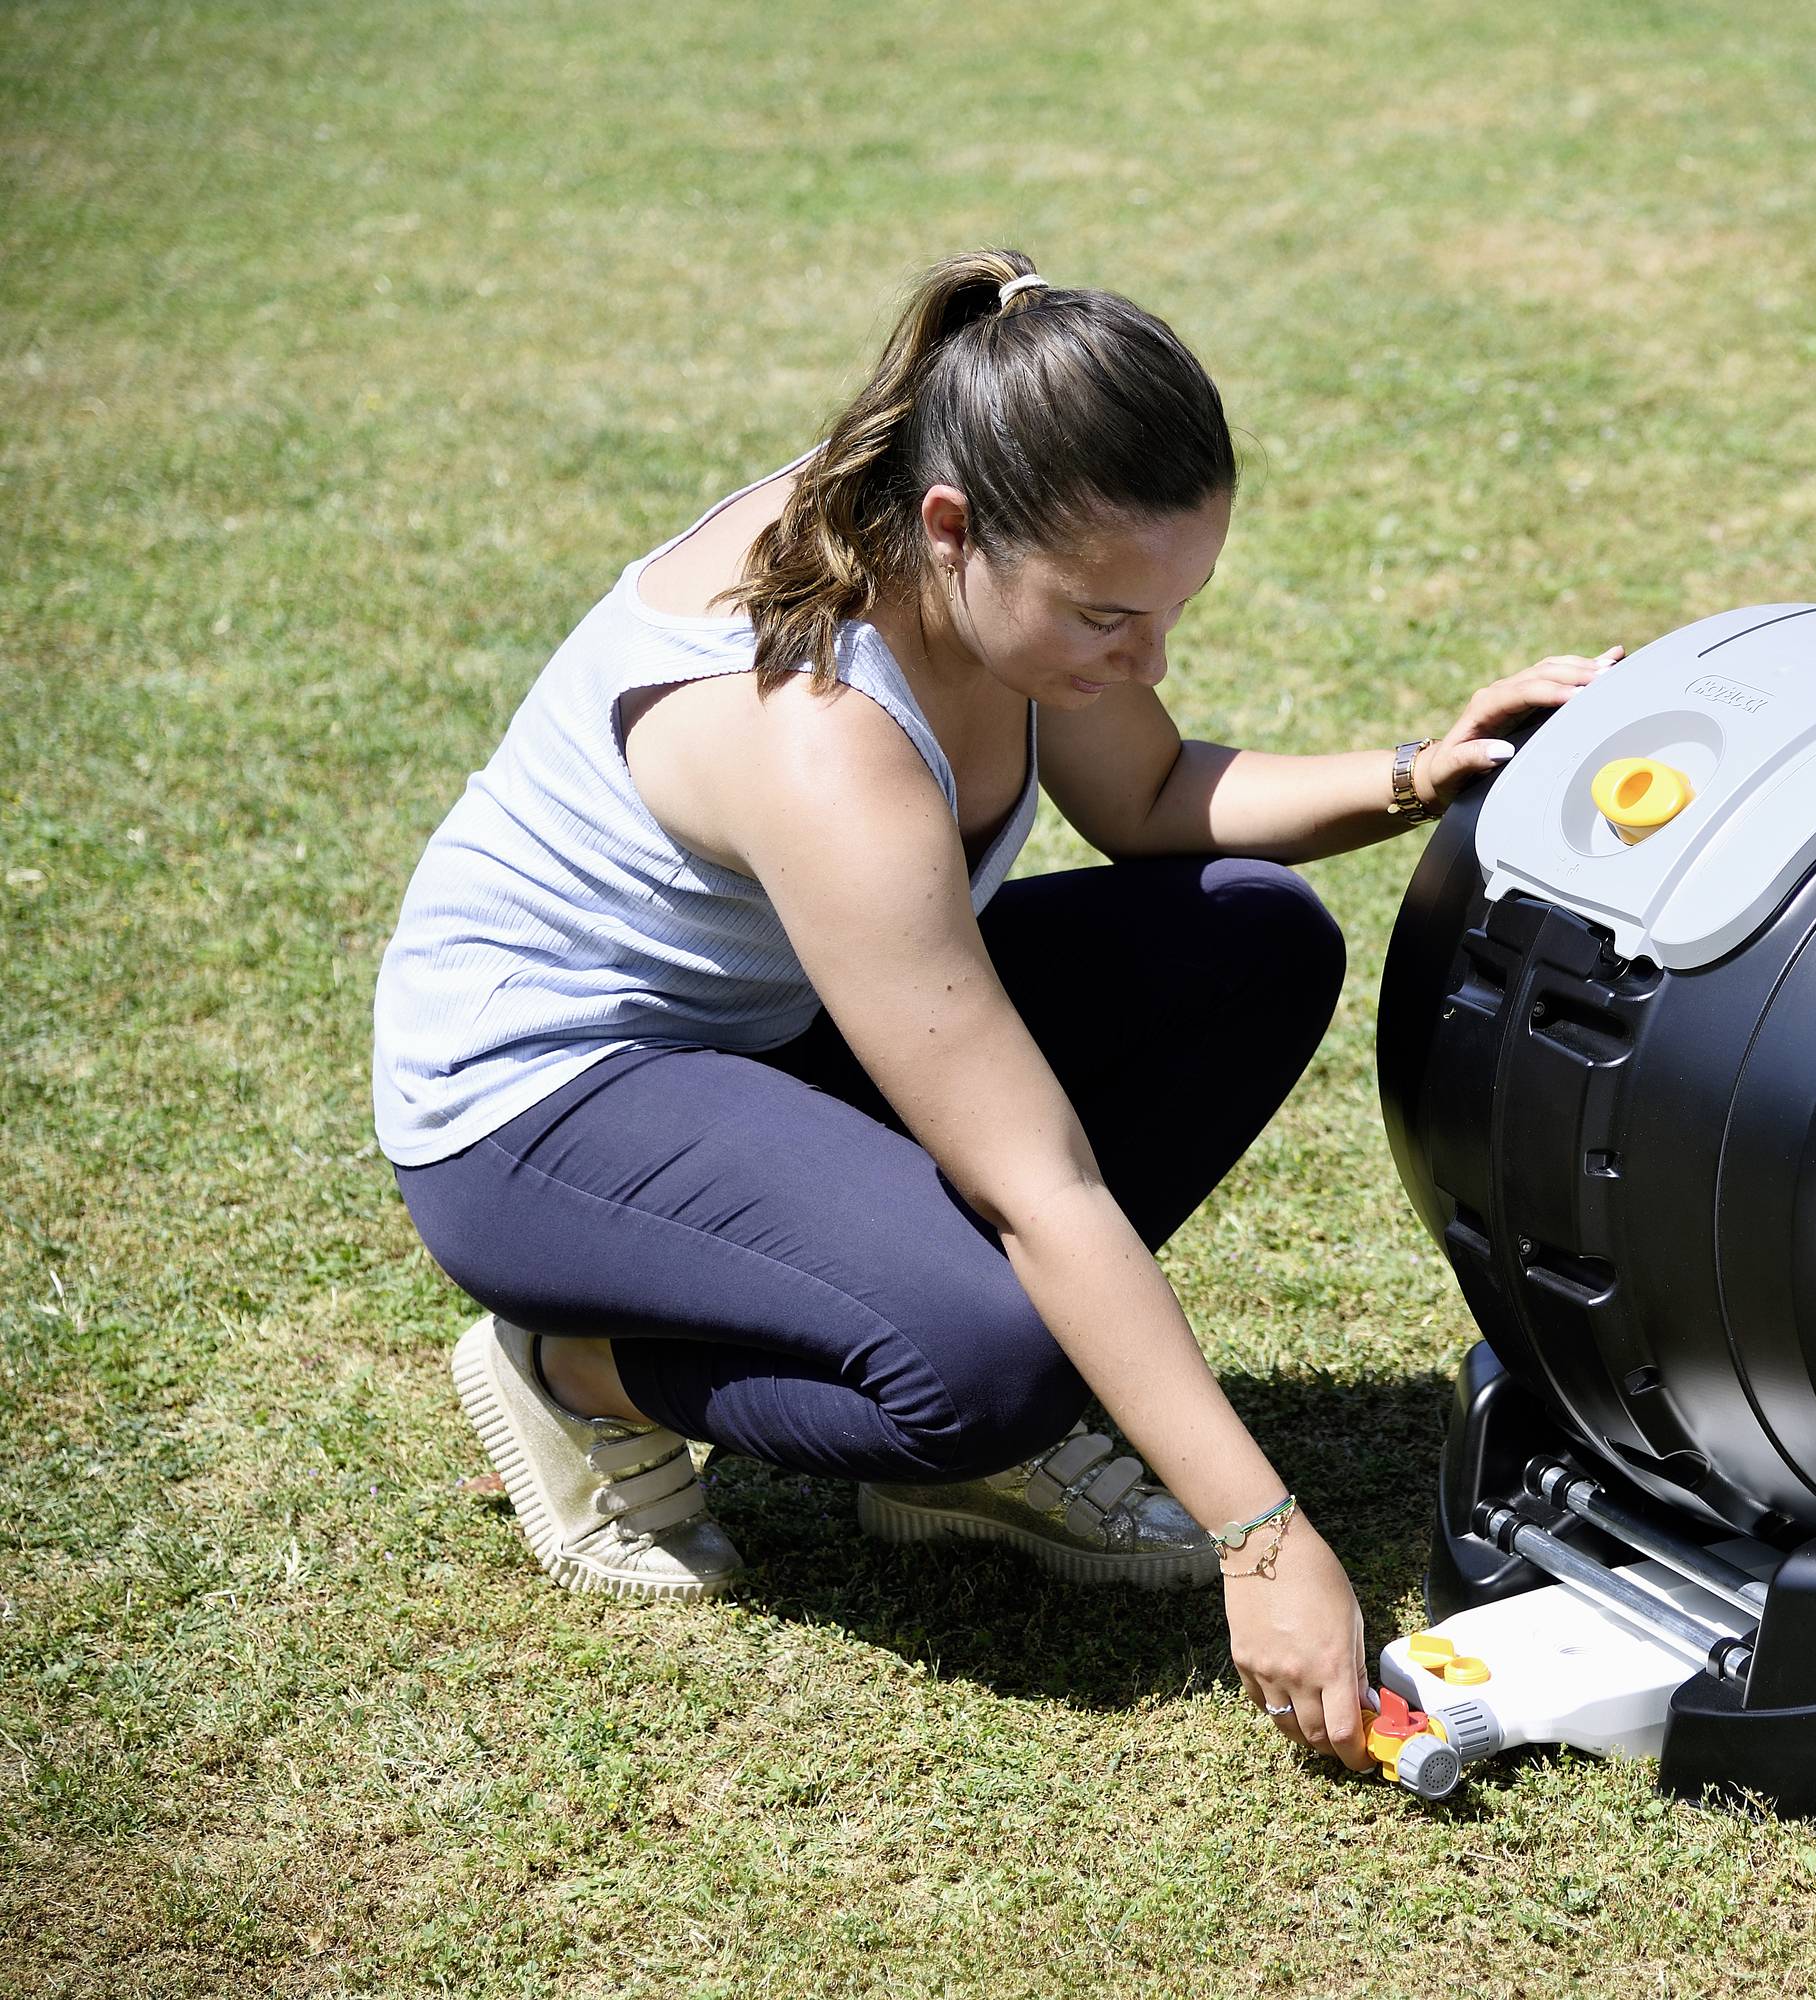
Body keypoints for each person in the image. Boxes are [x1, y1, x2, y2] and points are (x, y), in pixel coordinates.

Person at [370, 248, 1621, 1772]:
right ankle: (570, 1370)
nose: (1146, 660)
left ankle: (933, 1439)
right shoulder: (816, 738)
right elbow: (1035, 1181)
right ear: (955, 530)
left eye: (1175, 608)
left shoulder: (975, 528)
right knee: (994, 1365)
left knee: (1253, 941)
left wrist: (1427, 770)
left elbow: (1154, 796)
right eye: (1109, 619)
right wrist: (1264, 1534)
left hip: (774, 1031)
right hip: (539, 1109)